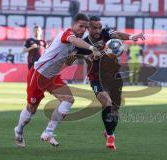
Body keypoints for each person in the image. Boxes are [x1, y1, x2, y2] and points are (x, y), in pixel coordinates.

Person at [14, 13, 101, 148]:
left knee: (68, 100)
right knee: (31, 110)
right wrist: (91, 48)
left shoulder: (75, 42)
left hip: (53, 77)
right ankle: (18, 131)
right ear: (73, 25)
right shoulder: (67, 34)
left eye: (86, 27)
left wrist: (87, 56)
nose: (83, 29)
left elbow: (68, 60)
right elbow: (75, 42)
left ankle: (48, 132)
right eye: (81, 26)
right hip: (38, 75)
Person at [76, 16, 145, 150]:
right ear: (88, 28)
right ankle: (110, 136)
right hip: (97, 78)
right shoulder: (83, 43)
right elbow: (75, 58)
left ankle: (109, 130)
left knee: (115, 108)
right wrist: (89, 57)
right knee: (106, 103)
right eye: (94, 28)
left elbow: (117, 34)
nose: (98, 30)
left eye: (99, 27)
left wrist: (131, 37)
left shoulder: (106, 33)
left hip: (114, 75)